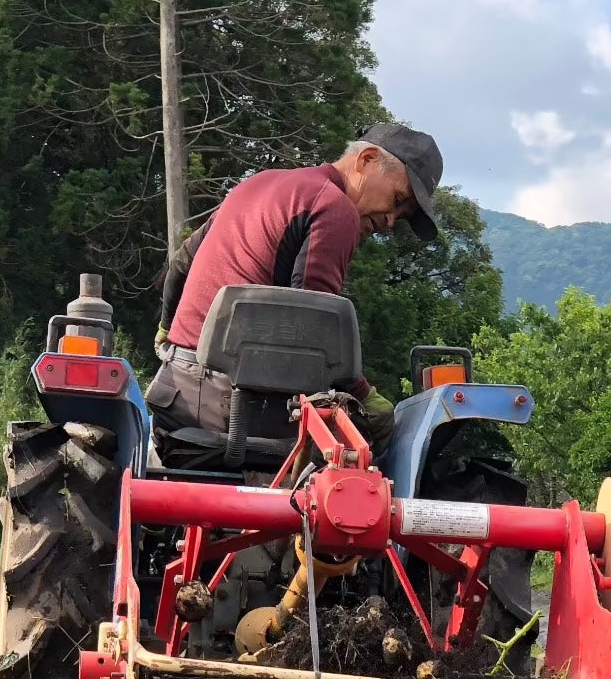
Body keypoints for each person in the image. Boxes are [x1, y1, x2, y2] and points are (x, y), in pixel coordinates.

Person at [148, 124, 443, 442]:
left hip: (173, 391)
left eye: (400, 216)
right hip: (233, 408)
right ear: (366, 159)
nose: (389, 222)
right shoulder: (334, 207)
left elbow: (181, 263)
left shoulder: (259, 184)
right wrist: (366, 395)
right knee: (370, 449)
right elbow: (316, 328)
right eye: (397, 200)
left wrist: (167, 331)